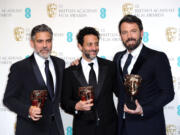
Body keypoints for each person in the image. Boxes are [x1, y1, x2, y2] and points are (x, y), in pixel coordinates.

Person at [113, 14, 175, 135]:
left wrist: (143, 110)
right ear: (120, 35)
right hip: (122, 126)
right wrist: (81, 62)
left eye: (133, 31)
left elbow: (168, 93)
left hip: (148, 126)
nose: (129, 36)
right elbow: (118, 89)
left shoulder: (157, 57)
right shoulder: (117, 57)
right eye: (124, 32)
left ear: (141, 33)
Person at [3, 24, 65, 135]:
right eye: (40, 41)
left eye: (48, 41)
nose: (45, 45)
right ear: (32, 43)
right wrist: (28, 110)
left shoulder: (60, 63)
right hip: (30, 129)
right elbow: (8, 99)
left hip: (56, 129)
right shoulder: (20, 68)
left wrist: (77, 67)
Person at [61, 27, 118, 135]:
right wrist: (76, 106)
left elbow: (121, 91)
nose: (94, 48)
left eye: (96, 44)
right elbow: (64, 101)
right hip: (83, 129)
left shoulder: (110, 66)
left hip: (109, 129)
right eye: (89, 44)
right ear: (80, 46)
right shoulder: (70, 72)